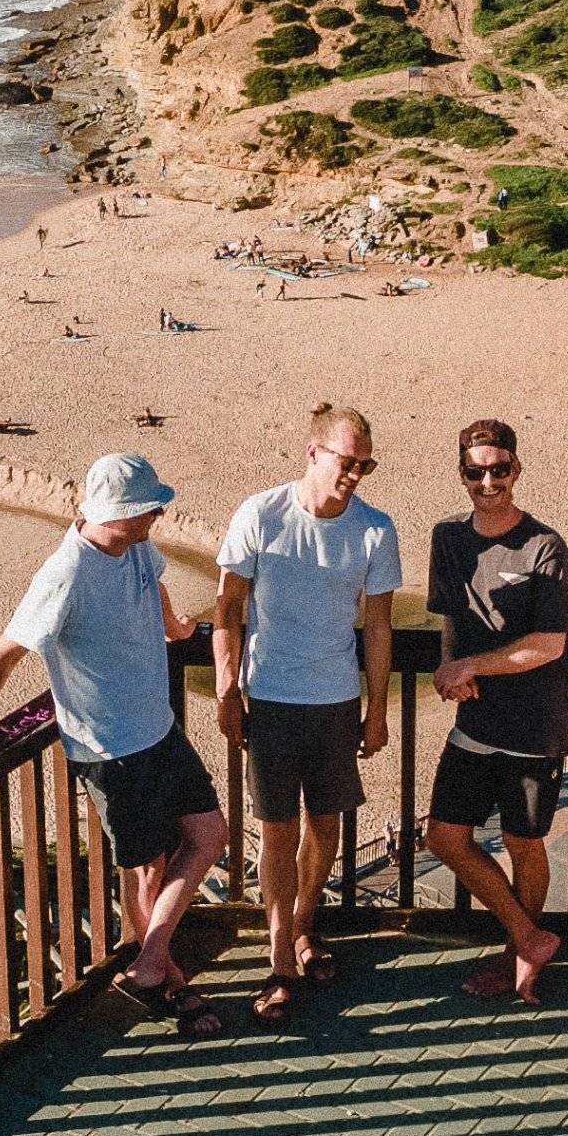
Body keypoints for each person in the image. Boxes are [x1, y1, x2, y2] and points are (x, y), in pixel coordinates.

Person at [0, 451, 227, 1034]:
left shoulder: (138, 545)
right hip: (110, 746)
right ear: (112, 514)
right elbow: (6, 652)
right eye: (147, 508)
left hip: (159, 727)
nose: (158, 515)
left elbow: (159, 596)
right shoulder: (65, 574)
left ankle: (148, 963)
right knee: (149, 868)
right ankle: (167, 981)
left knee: (209, 834)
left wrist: (179, 632)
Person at [214, 404, 400, 1023]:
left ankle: (303, 924)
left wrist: (377, 709)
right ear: (313, 453)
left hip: (336, 699)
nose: (355, 474)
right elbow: (228, 610)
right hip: (269, 697)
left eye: (364, 464)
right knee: (276, 829)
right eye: (348, 461)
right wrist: (226, 690)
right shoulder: (260, 514)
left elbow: (378, 625)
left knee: (325, 826)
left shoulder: (375, 529)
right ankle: (279, 957)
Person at [424, 419, 568, 1005]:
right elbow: (448, 617)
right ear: (461, 474)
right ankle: (529, 936)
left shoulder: (544, 546)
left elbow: (550, 644)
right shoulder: (448, 538)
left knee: (523, 843)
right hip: (476, 722)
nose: (489, 482)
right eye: (476, 471)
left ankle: (522, 960)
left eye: (500, 470)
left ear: (517, 469)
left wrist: (472, 667)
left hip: (534, 726)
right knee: (445, 837)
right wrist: (447, 667)